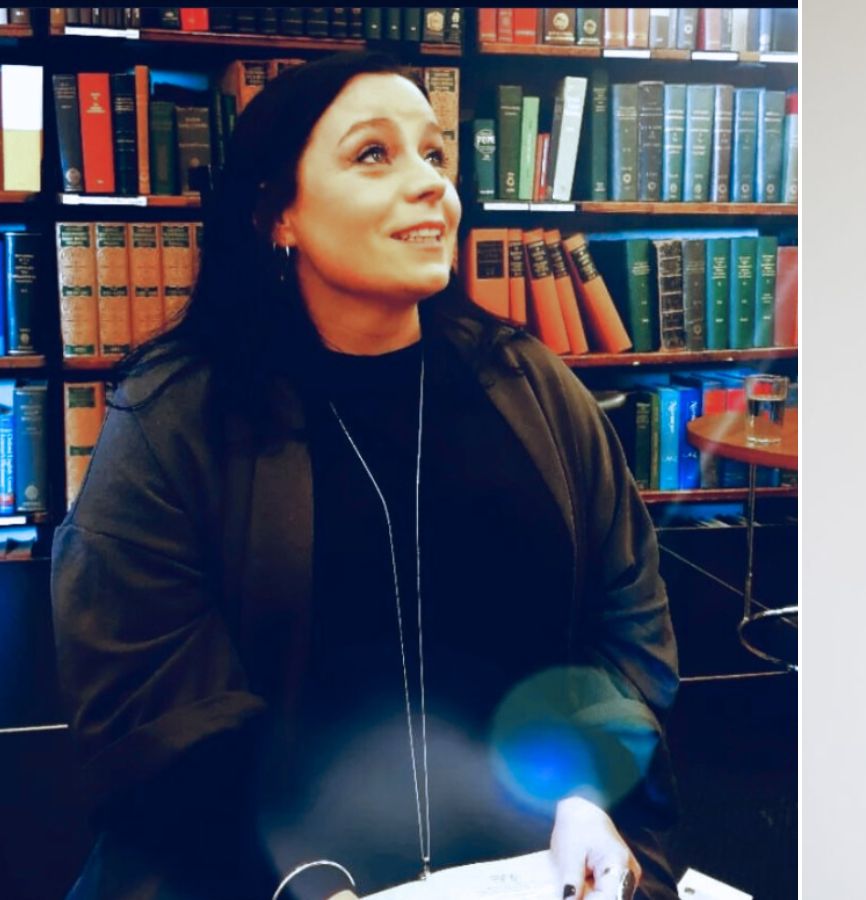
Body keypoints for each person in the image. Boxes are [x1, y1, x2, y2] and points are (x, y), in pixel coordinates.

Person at [50, 52, 678, 900]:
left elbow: (627, 620)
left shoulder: (529, 387)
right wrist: (303, 879)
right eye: (373, 155)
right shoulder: (176, 417)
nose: (429, 185)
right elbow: (155, 710)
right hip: (248, 873)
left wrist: (580, 796)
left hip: (523, 870)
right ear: (279, 214)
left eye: (435, 154)